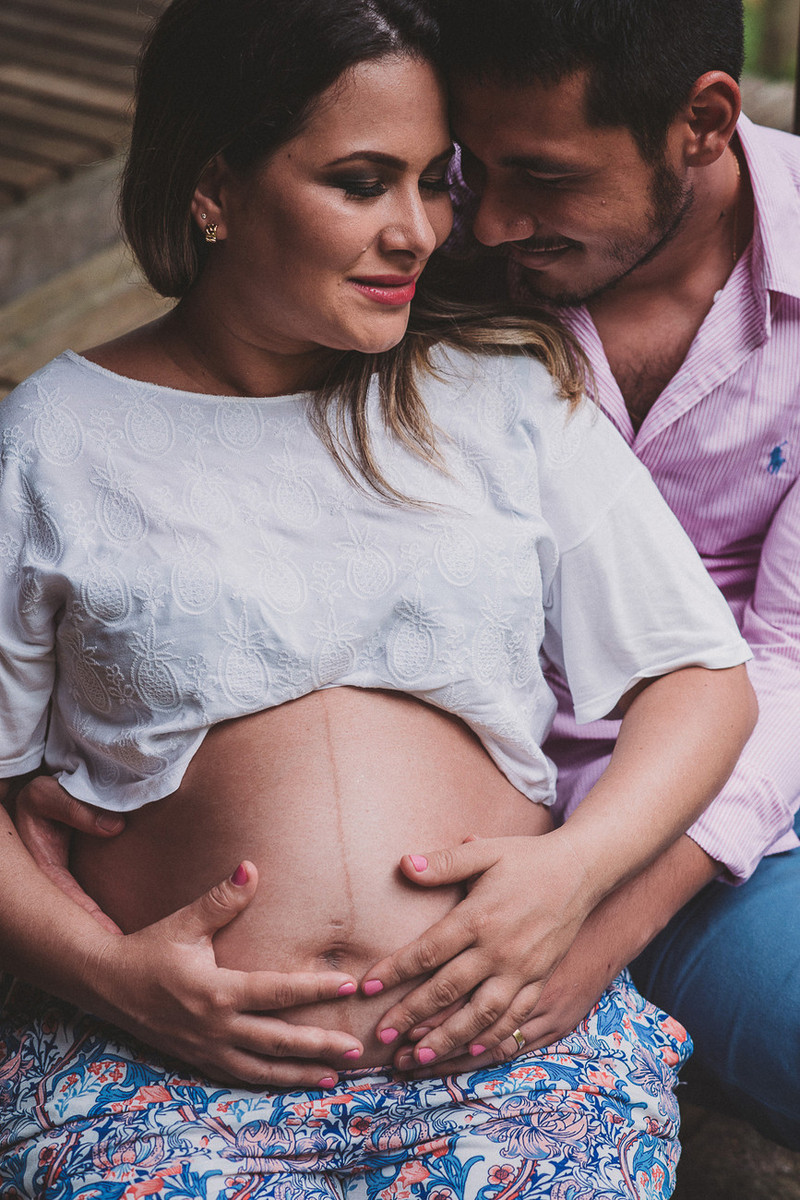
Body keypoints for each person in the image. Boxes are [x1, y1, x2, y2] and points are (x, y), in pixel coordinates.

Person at [0, 0, 757, 1196]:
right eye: (360, 183)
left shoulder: (498, 390)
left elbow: (700, 680)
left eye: (430, 181)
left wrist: (575, 873)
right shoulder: (51, 440)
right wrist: (104, 971)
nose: (419, 231)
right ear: (215, 187)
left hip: (509, 1056)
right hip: (159, 1075)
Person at [368, 0, 800, 1152]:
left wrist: (593, 916)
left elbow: (789, 652)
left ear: (701, 122)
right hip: (477, 796)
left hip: (730, 804)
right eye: (472, 166)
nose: (492, 219)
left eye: (542, 178)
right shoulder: (421, 246)